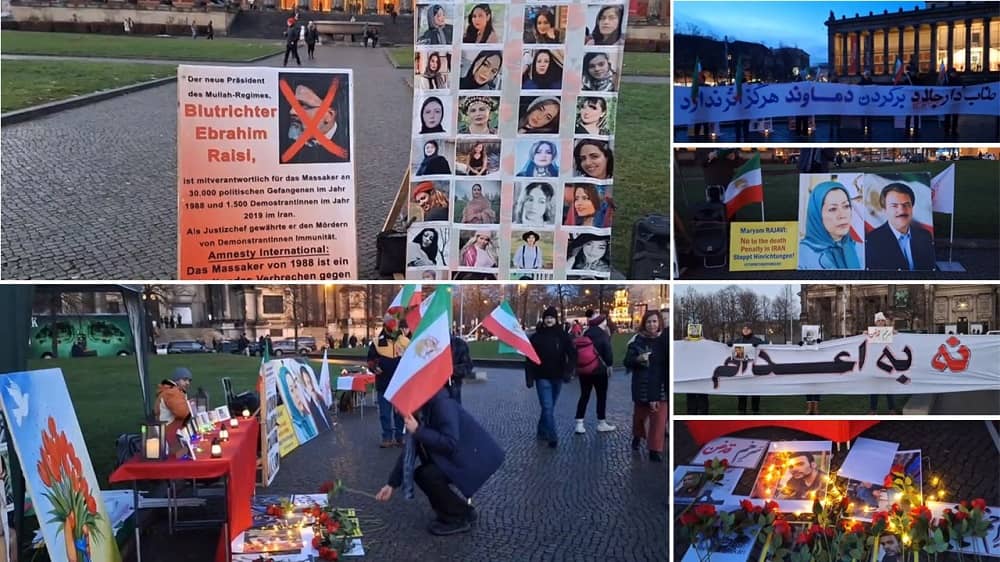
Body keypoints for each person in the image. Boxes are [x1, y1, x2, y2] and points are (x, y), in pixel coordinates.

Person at [375, 386, 504, 536]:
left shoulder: (442, 404)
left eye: (398, 407)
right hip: (454, 459)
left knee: (428, 475)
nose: (397, 412)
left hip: (471, 459)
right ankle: (457, 512)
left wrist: (419, 431)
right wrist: (391, 484)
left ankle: (458, 516)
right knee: (424, 474)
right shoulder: (420, 409)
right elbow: (410, 451)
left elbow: (450, 443)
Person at [526, 307, 576, 448]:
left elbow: (572, 354)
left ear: (556, 319)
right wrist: (529, 377)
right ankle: (552, 436)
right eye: (547, 317)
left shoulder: (563, 335)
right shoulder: (536, 337)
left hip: (558, 376)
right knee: (547, 407)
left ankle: (542, 430)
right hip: (541, 377)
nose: (549, 320)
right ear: (543, 319)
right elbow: (529, 358)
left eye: (551, 317)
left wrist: (568, 371)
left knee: (549, 407)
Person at [626, 311, 667, 462]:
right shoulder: (637, 341)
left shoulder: (664, 341)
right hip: (642, 385)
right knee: (640, 418)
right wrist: (638, 359)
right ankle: (637, 435)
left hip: (660, 386)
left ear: (659, 323)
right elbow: (627, 361)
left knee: (659, 419)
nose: (652, 325)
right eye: (649, 322)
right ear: (644, 324)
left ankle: (654, 450)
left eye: (655, 322)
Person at [865, 183, 935, 271]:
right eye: (894, 206)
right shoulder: (872, 241)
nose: (902, 210)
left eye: (906, 204)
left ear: (912, 208)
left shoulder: (925, 236)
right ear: (884, 210)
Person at [367, 316, 411, 448]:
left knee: (399, 414)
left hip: (400, 385)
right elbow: (370, 359)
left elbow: (413, 359)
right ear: (385, 327)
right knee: (385, 413)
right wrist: (374, 367)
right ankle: (387, 437)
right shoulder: (376, 342)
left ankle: (399, 437)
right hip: (383, 383)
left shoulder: (405, 341)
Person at [799, 181, 863, 270]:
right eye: (833, 209)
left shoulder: (861, 250)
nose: (842, 215)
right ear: (817, 214)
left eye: (846, 206)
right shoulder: (800, 254)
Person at [283, 79, 349, 164]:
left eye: (303, 105)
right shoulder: (283, 144)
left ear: (329, 115)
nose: (292, 111)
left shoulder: (346, 145)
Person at [574, 312, 616, 435]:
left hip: (585, 370)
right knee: (601, 396)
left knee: (584, 395)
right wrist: (609, 364)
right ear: (601, 323)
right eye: (604, 321)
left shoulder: (586, 333)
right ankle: (601, 422)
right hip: (599, 371)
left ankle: (579, 422)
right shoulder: (603, 335)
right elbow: (608, 352)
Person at [153, 367, 194, 458]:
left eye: (189, 380)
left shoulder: (174, 392)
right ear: (176, 380)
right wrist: (191, 407)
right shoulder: (172, 393)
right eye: (184, 380)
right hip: (170, 435)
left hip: (169, 432)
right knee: (187, 455)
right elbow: (182, 413)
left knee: (191, 450)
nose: (188, 383)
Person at [868, 312, 901, 415]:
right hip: (875, 365)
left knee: (888, 389)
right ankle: (873, 410)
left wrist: (896, 334)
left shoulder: (889, 333)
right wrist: (865, 334)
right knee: (874, 389)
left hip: (887, 364)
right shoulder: (871, 333)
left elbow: (898, 340)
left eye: (882, 320)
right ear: (875, 322)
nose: (881, 322)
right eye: (879, 320)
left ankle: (892, 409)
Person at [732, 323, 763, 415]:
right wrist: (729, 345)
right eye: (744, 328)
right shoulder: (738, 341)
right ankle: (741, 411)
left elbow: (767, 347)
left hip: (754, 371)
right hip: (742, 371)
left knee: (755, 393)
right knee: (742, 393)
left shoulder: (757, 340)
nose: (745, 330)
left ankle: (755, 411)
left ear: (751, 330)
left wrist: (760, 345)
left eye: (747, 328)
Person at [299, 365, 331, 430]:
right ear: (305, 387)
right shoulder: (310, 408)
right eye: (307, 383)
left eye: (310, 381)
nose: (311, 386)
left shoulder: (321, 399)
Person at [448, 332, 473, 403]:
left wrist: (449, 370)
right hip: (430, 394)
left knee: (453, 411)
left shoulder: (459, 344)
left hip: (452, 388)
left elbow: (468, 366)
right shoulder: (429, 344)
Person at [858, 69, 874, 134]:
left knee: (869, 118)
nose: (867, 76)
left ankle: (868, 130)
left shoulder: (871, 82)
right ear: (864, 75)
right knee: (863, 118)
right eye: (866, 75)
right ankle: (863, 130)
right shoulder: (861, 82)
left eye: (868, 75)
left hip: (868, 103)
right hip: (863, 103)